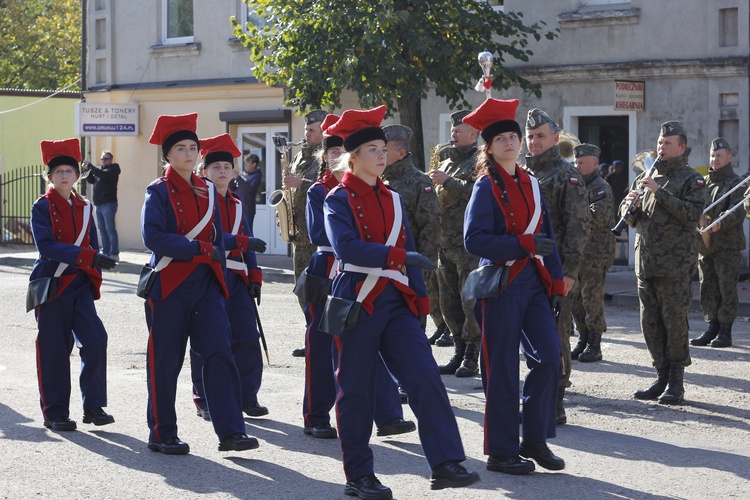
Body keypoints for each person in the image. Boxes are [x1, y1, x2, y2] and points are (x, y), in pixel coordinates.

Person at [323, 106, 480, 499]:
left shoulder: (392, 197)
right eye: (373, 149)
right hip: (358, 300)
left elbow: (408, 248)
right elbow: (348, 248)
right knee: (356, 390)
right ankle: (359, 476)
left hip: (397, 302)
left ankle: (445, 462)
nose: (381, 155)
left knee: (425, 378)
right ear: (353, 156)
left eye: (383, 149)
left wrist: (421, 301)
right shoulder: (337, 199)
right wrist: (396, 259)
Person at [141, 113, 259, 454]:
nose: (189, 153)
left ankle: (231, 431)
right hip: (170, 282)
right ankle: (162, 432)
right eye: (181, 148)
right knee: (166, 361)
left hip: (207, 284)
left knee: (220, 352)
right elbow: (154, 237)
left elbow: (217, 236)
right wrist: (197, 248)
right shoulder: (158, 191)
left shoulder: (207, 188)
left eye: (193, 147)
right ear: (168, 155)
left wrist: (234, 249)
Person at [463, 97, 566, 475]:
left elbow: (547, 236)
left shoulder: (533, 182)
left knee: (550, 358)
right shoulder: (485, 187)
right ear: (489, 147)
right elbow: (474, 240)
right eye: (501, 138)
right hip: (501, 284)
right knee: (502, 368)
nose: (509, 142)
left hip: (535, 284)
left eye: (513, 136)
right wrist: (521, 244)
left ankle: (534, 439)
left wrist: (555, 284)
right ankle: (501, 451)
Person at [299, 115, 415, 440]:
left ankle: (389, 414)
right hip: (328, 270)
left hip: (369, 273)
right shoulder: (321, 191)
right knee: (322, 345)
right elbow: (318, 233)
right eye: (333, 150)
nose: (338, 157)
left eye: (342, 149)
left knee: (372, 342)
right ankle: (316, 414)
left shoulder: (378, 190)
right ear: (326, 156)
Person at [29, 138, 117, 431]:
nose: (64, 176)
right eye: (59, 172)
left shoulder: (85, 206)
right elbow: (47, 246)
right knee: (54, 349)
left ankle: (93, 406)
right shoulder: (41, 206)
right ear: (50, 177)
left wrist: (95, 261)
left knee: (95, 340)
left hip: (78, 285)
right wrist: (89, 256)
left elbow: (91, 240)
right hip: (53, 284)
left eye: (69, 171)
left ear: (77, 176)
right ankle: (55, 412)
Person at [619, 121, 705, 405]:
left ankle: (676, 382)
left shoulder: (691, 179)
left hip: (675, 266)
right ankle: (661, 374)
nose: (661, 147)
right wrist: (628, 206)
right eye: (659, 142)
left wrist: (659, 191)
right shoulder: (646, 175)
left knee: (674, 322)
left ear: (681, 148)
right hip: (647, 263)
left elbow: (692, 216)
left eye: (668, 143)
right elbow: (631, 216)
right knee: (650, 323)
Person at [190, 134, 269, 421]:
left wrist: (255, 275)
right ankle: (204, 398)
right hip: (209, 276)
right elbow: (209, 237)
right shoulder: (198, 202)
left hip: (238, 279)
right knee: (209, 340)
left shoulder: (236, 203)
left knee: (248, 336)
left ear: (234, 172)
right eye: (215, 167)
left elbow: (245, 238)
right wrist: (242, 243)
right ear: (204, 172)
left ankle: (247, 395)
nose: (222, 171)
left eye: (227, 166)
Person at [523, 108, 590, 425]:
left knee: (556, 335)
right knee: (533, 336)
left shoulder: (567, 175)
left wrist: (569, 272)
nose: (534, 141)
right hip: (525, 269)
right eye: (531, 136)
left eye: (540, 136)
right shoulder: (524, 174)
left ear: (554, 138)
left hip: (555, 270)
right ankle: (538, 397)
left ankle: (556, 401)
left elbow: (578, 227)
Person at [428, 110, 482, 377]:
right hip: (444, 242)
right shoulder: (447, 161)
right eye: (453, 129)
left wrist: (449, 182)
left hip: (466, 244)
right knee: (448, 302)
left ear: (473, 134)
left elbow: (480, 192)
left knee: (468, 301)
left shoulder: (480, 160)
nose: (453, 133)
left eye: (459, 129)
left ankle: (472, 355)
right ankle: (458, 350)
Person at [382, 124, 442, 344]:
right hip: (386, 261)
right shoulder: (380, 180)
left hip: (411, 265)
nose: (379, 154)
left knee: (413, 322)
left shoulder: (419, 182)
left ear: (400, 153)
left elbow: (431, 225)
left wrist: (423, 264)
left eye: (384, 150)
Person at [692, 138, 745, 348]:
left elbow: (738, 211)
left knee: (726, 288)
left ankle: (725, 331)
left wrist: (719, 223)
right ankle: (711, 327)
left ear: (729, 157)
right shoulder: (703, 182)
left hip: (727, 245)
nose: (715, 159)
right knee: (707, 287)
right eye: (712, 155)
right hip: (705, 244)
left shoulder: (737, 183)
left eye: (719, 156)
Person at [287, 109, 328, 358]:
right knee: (302, 289)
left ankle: (323, 337)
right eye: (306, 129)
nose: (306, 134)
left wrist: (300, 183)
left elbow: (331, 186)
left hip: (316, 235)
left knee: (320, 290)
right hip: (299, 234)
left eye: (311, 130)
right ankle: (310, 334)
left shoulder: (330, 155)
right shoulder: (301, 156)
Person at [570, 144, 616, 362]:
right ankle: (583, 338)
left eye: (581, 162)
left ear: (594, 164)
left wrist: (569, 212)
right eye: (575, 162)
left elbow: (597, 218)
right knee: (575, 299)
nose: (576, 165)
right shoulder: (574, 185)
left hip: (596, 254)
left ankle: (595, 344)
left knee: (592, 300)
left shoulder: (601, 188)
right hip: (577, 252)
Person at [82, 150, 121, 261]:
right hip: (99, 205)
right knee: (102, 230)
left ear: (111, 159)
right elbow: (91, 180)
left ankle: (114, 253)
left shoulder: (114, 169)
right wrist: (87, 170)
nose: (104, 160)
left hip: (109, 204)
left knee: (110, 229)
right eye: (102, 159)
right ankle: (106, 253)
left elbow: (103, 175)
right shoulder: (100, 172)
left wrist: (90, 166)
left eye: (106, 158)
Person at [231, 153, 263, 233]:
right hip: (238, 206)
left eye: (248, 163)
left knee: (248, 232)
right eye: (245, 163)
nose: (245, 165)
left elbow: (249, 189)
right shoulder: (242, 174)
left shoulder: (257, 176)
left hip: (248, 208)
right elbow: (233, 189)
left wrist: (238, 178)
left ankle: (252, 246)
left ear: (254, 164)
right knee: (238, 231)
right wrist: (231, 179)